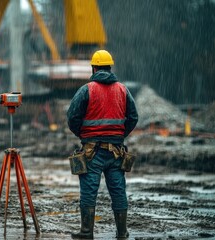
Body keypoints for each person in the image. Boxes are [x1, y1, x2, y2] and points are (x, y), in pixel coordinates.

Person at [67, 50, 138, 239]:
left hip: (92, 152)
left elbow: (72, 117)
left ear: (94, 68)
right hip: (116, 152)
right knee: (118, 191)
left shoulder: (87, 90)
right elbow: (133, 117)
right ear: (110, 67)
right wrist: (119, 136)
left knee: (89, 192)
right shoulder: (123, 90)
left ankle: (86, 232)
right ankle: (122, 232)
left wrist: (83, 135)